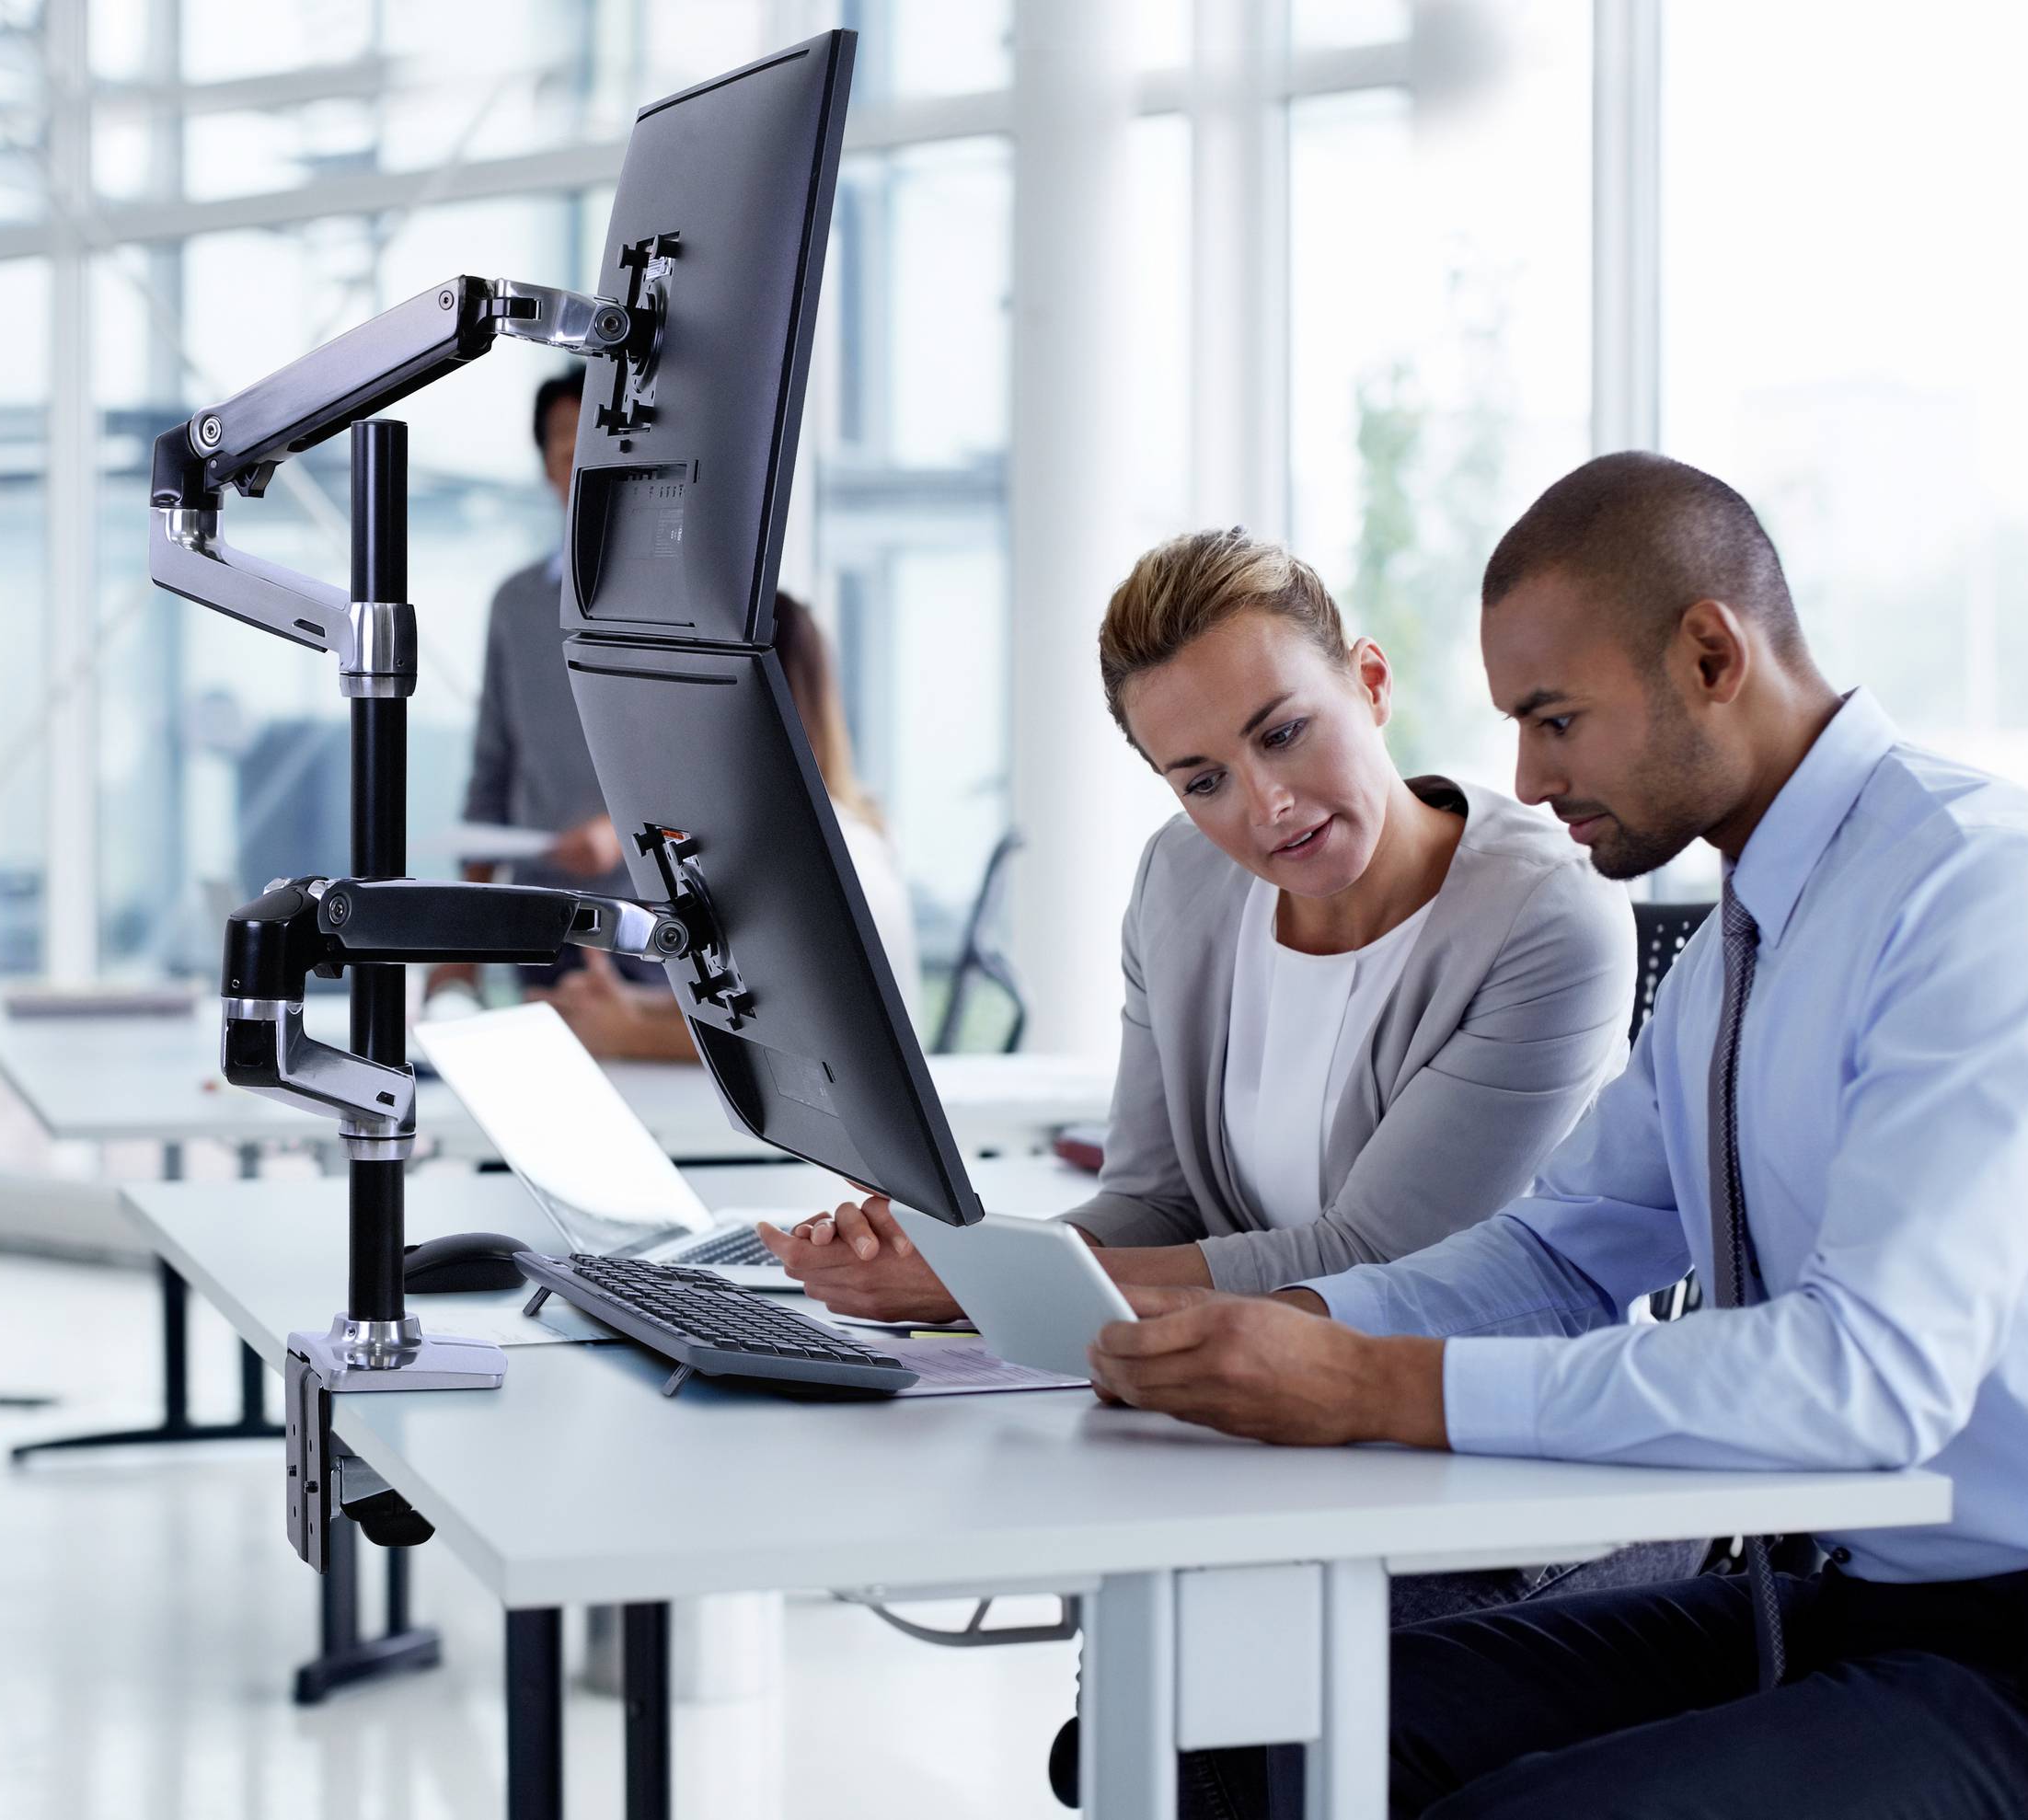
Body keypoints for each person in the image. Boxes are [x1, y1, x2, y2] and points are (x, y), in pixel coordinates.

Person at [1085, 455, 2028, 1816]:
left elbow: (1873, 1377)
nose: (1525, 773)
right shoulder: (1755, 936)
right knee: (1248, 1744)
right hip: (1849, 1599)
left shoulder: (1983, 892)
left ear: (1710, 653)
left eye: (1556, 718)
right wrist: (1291, 1329)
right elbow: (1559, 1257)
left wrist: (1378, 1386)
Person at [762, 528, 1636, 1322]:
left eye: (1285, 732)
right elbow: (1149, 1206)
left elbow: (1375, 1260)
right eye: (1203, 781)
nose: (1269, 805)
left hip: (1476, 1420)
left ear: (1371, 683)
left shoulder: (1548, 921)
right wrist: (953, 1259)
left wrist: (972, 1281)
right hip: (1252, 1398)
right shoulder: (1182, 880)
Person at [547, 590, 921, 1061]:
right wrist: (630, 1007)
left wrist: (627, 1034)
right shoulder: (812, 831)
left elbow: (801, 1046)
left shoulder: (820, 857)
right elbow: (761, 1001)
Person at [429, 369, 620, 1005]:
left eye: (596, 436)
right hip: (543, 922)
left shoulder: (684, 603)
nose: (578, 457)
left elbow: (714, 770)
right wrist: (461, 950)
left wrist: (621, 834)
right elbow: (492, 773)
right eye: (564, 443)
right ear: (544, 465)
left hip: (661, 921)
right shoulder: (516, 604)